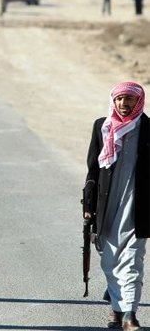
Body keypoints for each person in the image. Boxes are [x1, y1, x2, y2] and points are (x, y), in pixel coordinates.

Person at [84, 81, 150, 330]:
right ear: (114, 100)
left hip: (138, 208)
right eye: (120, 99)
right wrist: (88, 207)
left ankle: (129, 315)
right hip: (106, 206)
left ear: (139, 101)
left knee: (132, 261)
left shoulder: (148, 128)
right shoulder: (102, 126)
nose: (124, 104)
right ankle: (116, 308)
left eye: (130, 99)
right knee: (109, 262)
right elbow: (92, 169)